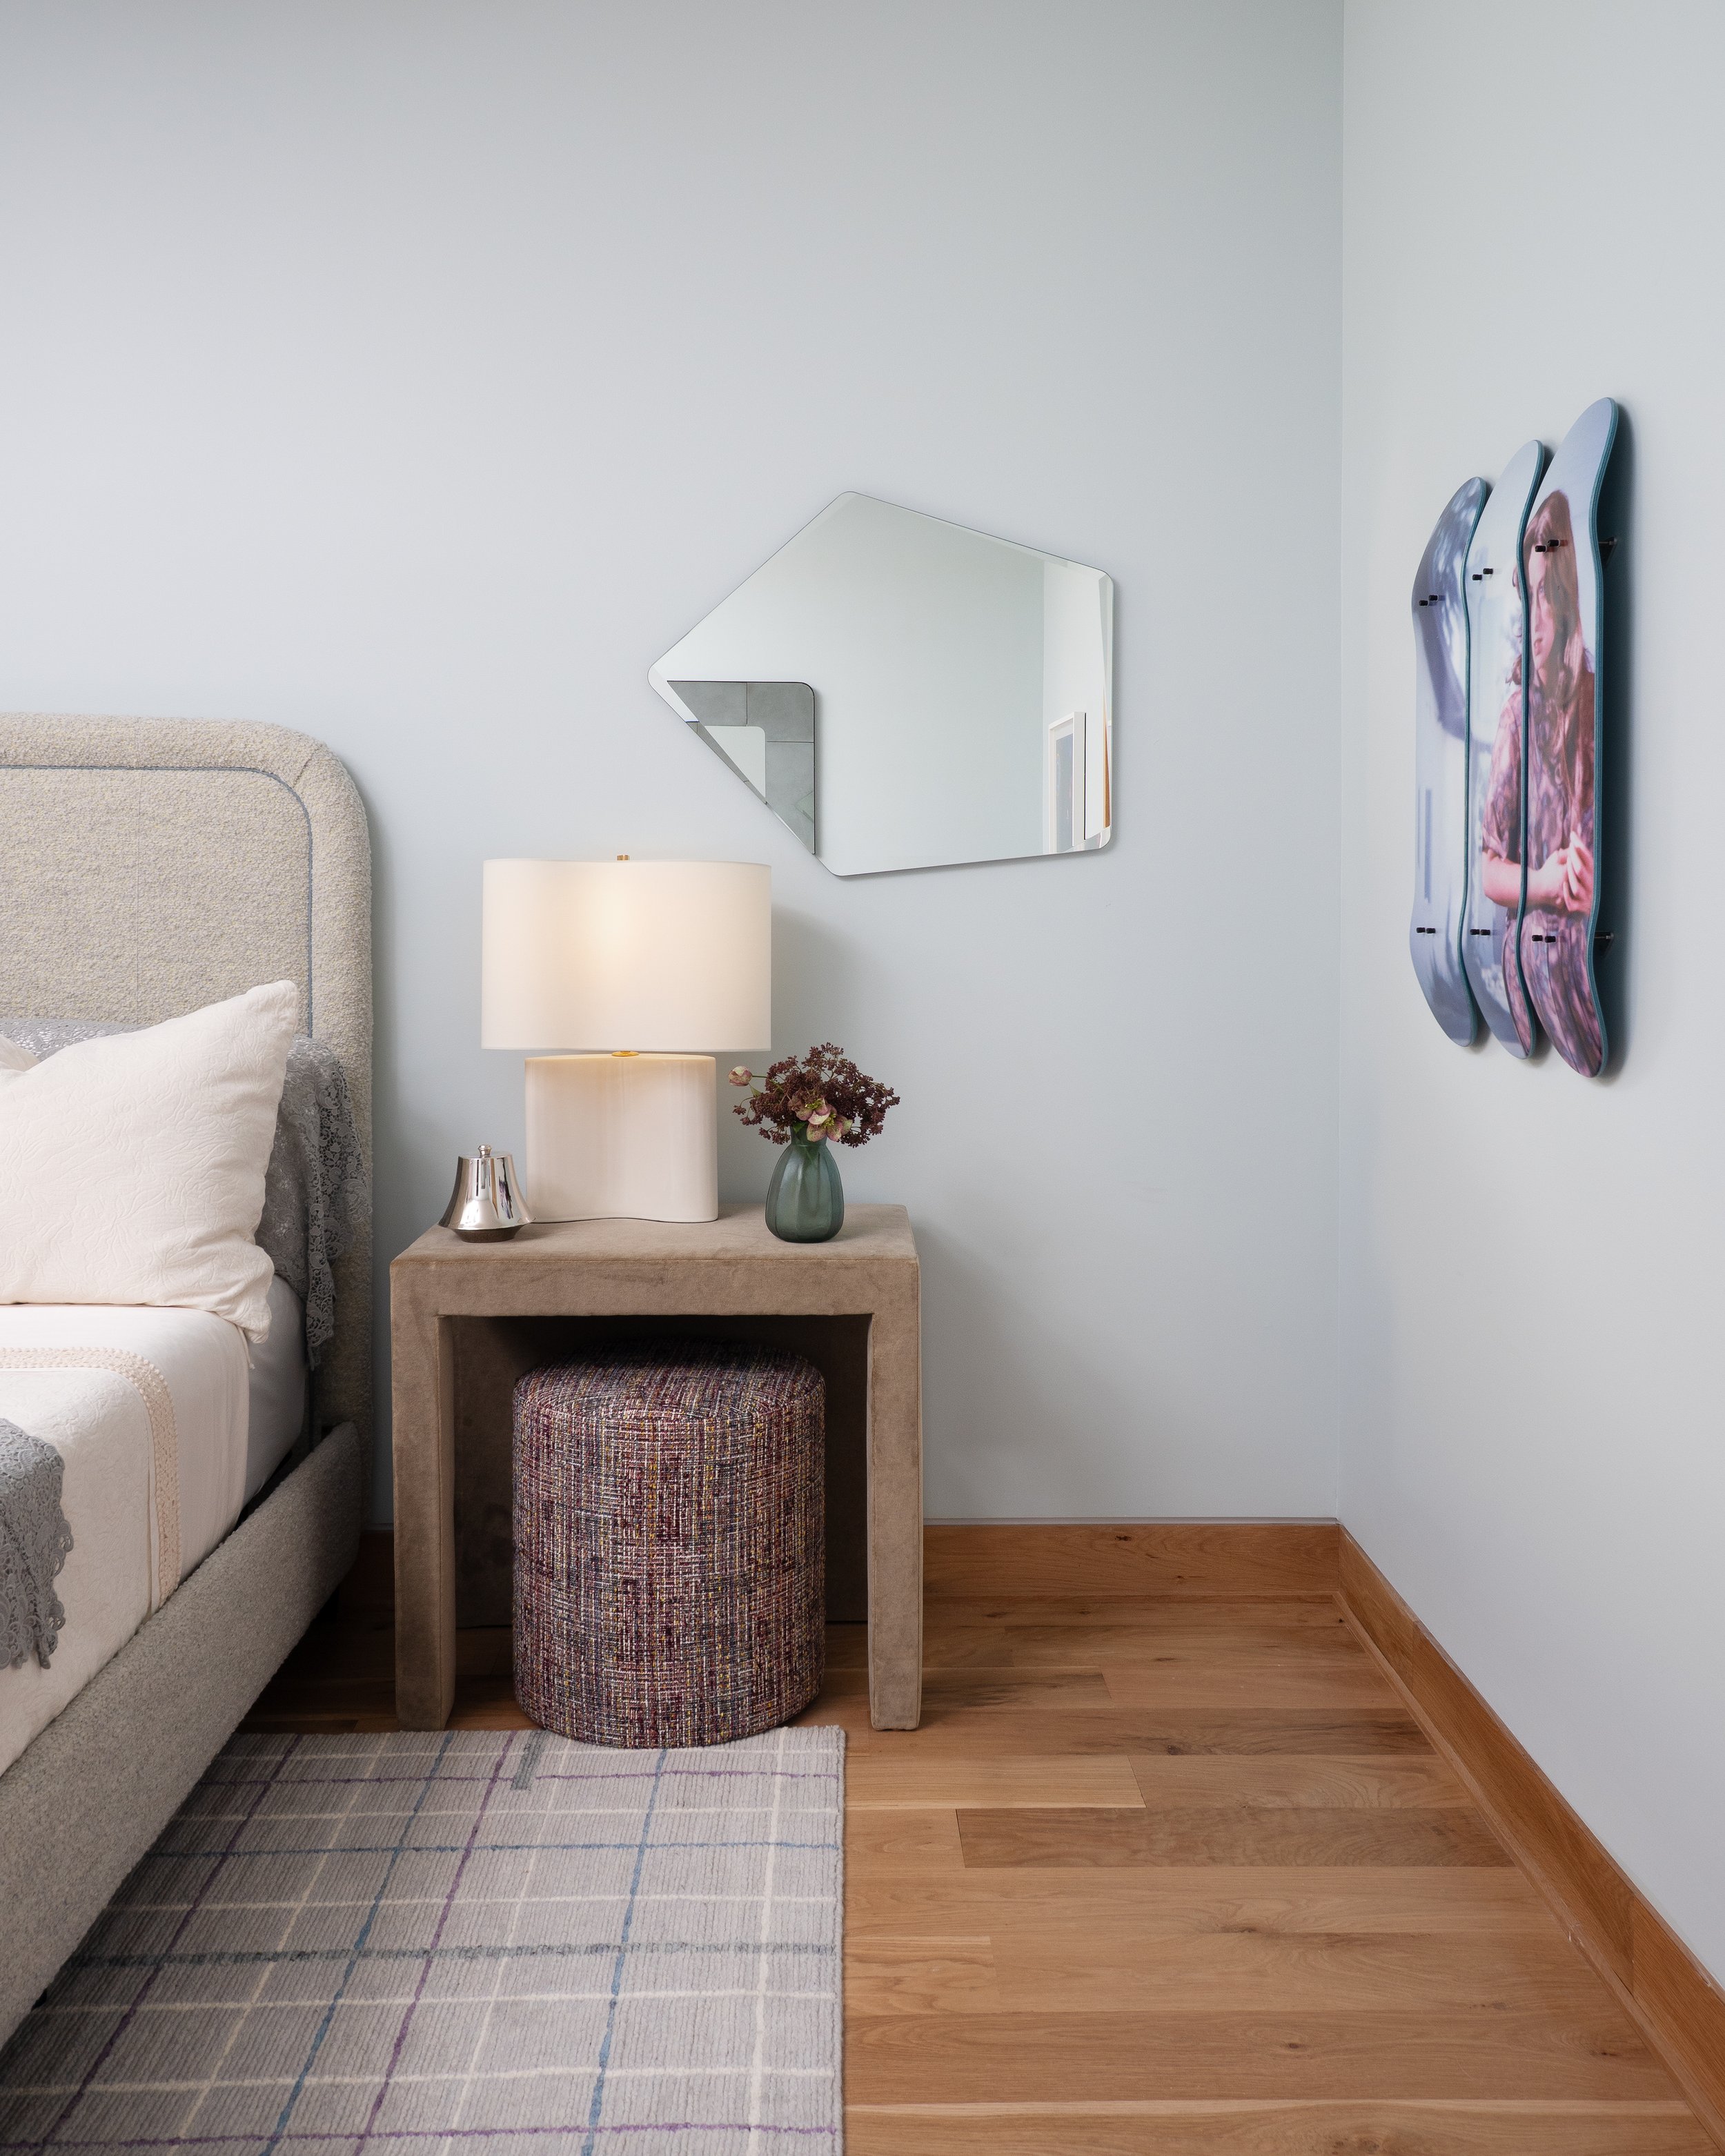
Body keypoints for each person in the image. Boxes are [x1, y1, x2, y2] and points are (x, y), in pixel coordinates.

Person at [1477, 488, 1600, 1074]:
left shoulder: (1595, 704)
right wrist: (1546, 885)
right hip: (1534, 948)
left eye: (1544, 595)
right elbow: (1488, 869)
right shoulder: (1516, 718)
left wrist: (1589, 884)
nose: (1534, 617)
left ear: (1566, 596)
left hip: (1583, 951)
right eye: (1526, 596)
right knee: (1538, 946)